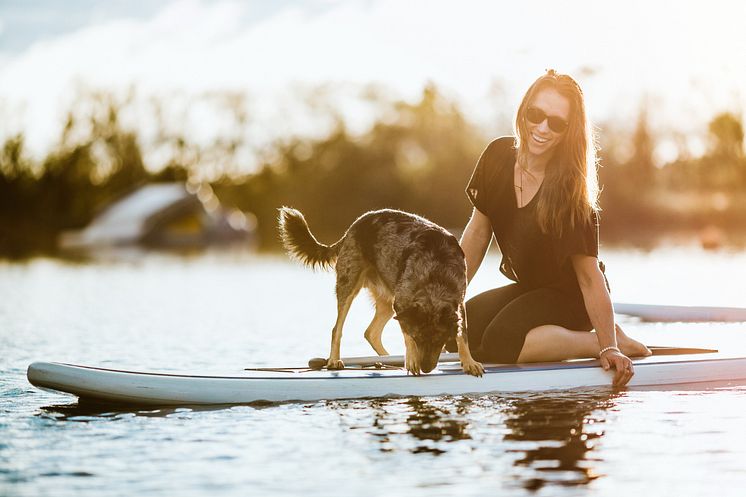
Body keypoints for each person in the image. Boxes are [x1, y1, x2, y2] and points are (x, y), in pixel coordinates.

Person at [454, 69, 651, 387]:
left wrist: (608, 346)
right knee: (456, 328)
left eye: (556, 123)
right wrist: (448, 298)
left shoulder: (571, 192)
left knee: (500, 342)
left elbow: (589, 277)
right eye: (536, 115)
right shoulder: (497, 158)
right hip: (532, 289)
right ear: (524, 110)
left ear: (568, 131)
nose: (542, 128)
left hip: (571, 297)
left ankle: (604, 339)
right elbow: (476, 235)